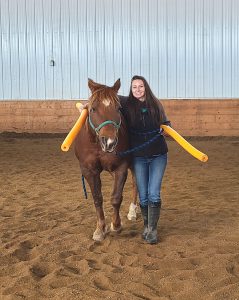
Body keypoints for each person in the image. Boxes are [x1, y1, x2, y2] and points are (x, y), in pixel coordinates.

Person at [119, 75, 171, 244]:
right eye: (134, 87)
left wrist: (167, 128)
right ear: (131, 89)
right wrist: (87, 104)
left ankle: (153, 230)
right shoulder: (126, 104)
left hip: (158, 154)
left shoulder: (155, 104)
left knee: (153, 193)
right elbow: (106, 97)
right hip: (139, 157)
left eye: (140, 86)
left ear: (145, 87)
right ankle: (147, 226)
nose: (138, 90)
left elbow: (166, 122)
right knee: (143, 196)